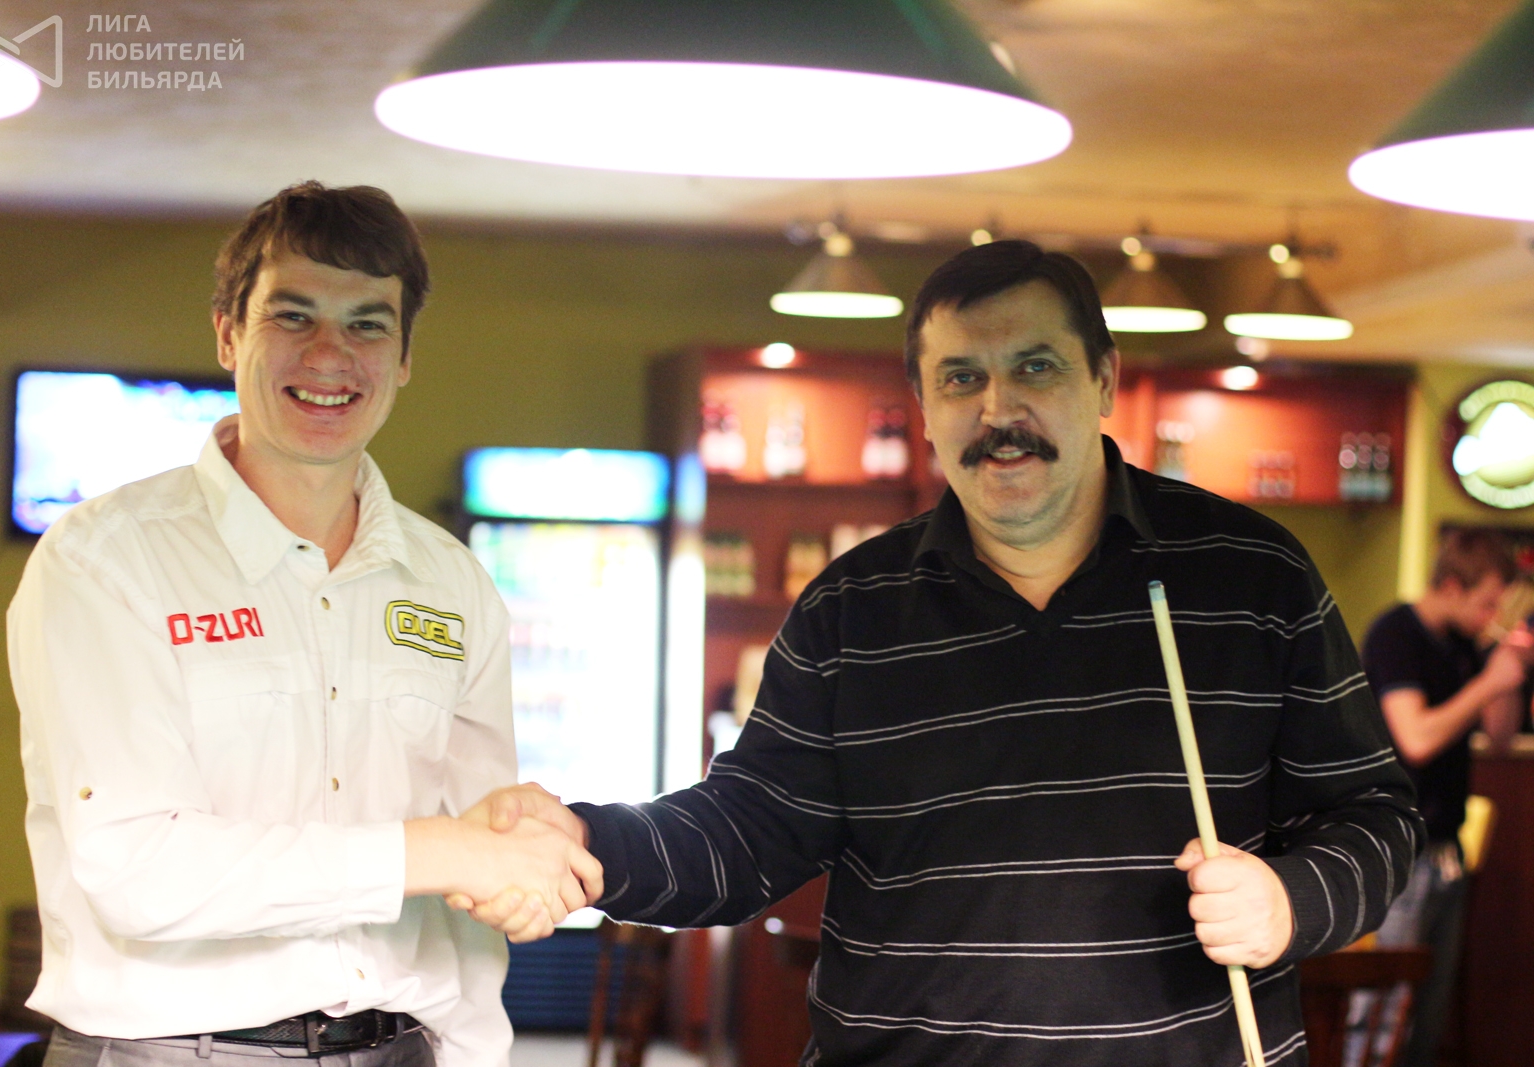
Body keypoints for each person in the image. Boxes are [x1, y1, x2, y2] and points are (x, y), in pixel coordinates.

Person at [464, 239, 1424, 1065]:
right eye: (962, 377)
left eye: (1036, 367)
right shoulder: (852, 608)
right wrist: (589, 841)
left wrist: (1289, 899)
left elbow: (1376, 816)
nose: (999, 409)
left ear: (1103, 380)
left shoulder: (1250, 576)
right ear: (922, 405)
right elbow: (749, 831)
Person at [7, 182, 601, 1067]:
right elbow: (138, 868)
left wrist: (479, 1022)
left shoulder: (454, 584)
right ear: (227, 332)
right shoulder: (106, 559)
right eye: (294, 316)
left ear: (404, 357)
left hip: (403, 1047)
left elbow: (470, 888)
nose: (331, 355)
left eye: (368, 324)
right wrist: (437, 852)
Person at [1360, 529, 1526, 1067]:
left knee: (1427, 1009)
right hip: (1400, 851)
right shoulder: (1395, 633)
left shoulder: (1462, 644)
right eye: (1486, 604)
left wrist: (1507, 672)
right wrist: (1487, 684)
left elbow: (1499, 737)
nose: (1490, 616)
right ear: (1452, 586)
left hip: (1445, 849)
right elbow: (1416, 738)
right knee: (1381, 1010)